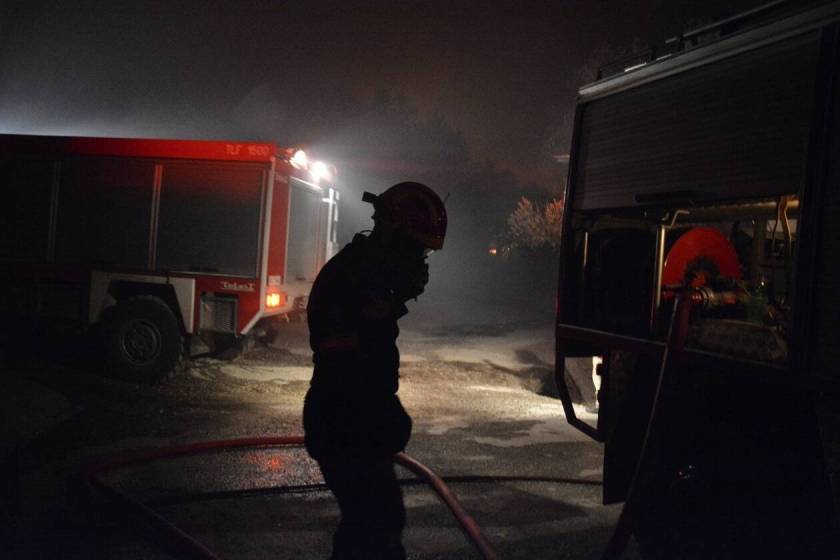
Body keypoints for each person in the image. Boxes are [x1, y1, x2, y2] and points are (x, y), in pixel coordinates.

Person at [303, 182, 447, 560]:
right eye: (415, 249)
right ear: (391, 233)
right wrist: (385, 420)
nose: (420, 263)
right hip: (342, 428)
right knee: (375, 527)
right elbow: (349, 373)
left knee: (372, 525)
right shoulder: (354, 281)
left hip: (347, 426)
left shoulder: (366, 277)